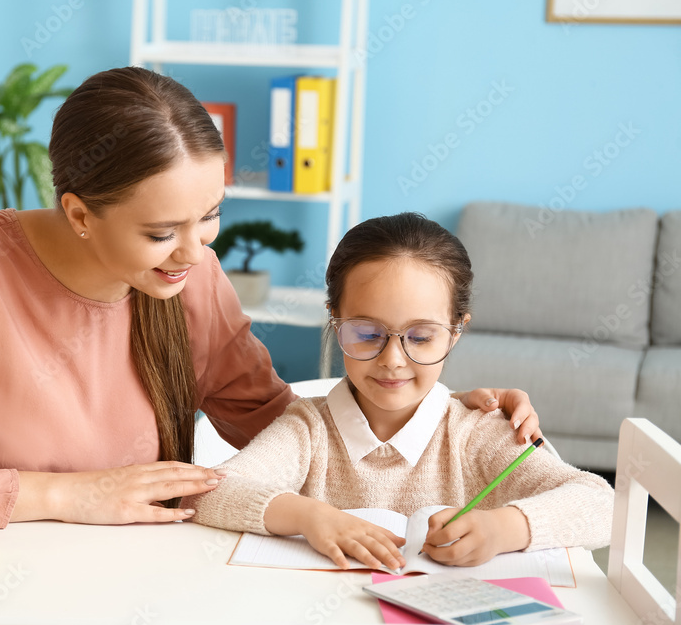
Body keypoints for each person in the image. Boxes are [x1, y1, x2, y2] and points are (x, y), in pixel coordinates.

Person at [0, 67, 542, 529]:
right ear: (80, 212)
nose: (197, 251)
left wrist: (423, 403)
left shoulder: (189, 277)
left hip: (140, 588)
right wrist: (67, 495)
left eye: (211, 216)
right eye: (161, 232)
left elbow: (279, 429)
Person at [182, 213, 613, 569]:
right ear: (335, 319)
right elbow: (209, 493)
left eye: (421, 337)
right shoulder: (307, 429)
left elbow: (601, 503)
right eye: (367, 333)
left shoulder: (476, 431)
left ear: (456, 332)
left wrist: (504, 528)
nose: (393, 360)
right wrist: (311, 516)